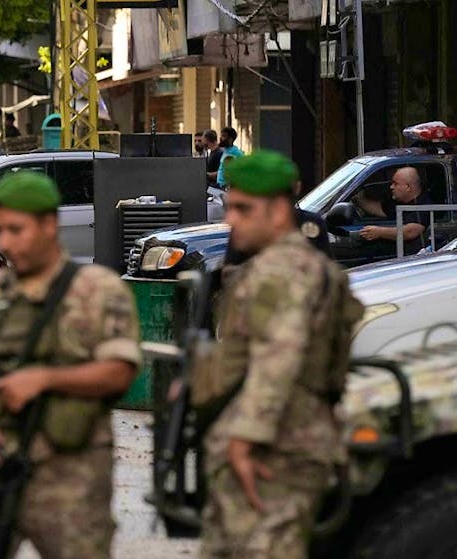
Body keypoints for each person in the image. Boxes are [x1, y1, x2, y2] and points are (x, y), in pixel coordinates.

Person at [0, 171, 141, 558]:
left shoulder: (99, 290)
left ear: (49, 225)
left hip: (70, 479)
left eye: (17, 230)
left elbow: (121, 370)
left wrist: (45, 379)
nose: (5, 243)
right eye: (1, 230)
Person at [194, 151, 362, 559]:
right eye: (230, 206)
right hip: (282, 438)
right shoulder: (296, 266)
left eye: (243, 209)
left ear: (278, 211)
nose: (231, 220)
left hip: (275, 448)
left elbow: (278, 359)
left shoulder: (281, 273)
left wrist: (245, 438)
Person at [353, 167, 433, 255]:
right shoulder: (400, 202)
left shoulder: (423, 205)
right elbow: (379, 210)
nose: (391, 187)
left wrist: (379, 232)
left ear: (408, 187)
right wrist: (358, 199)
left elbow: (410, 232)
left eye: (395, 184)